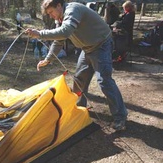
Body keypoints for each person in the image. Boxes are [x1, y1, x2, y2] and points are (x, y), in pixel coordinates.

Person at [26, 0, 128, 131]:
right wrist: (48, 59)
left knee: (104, 81)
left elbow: (65, 31)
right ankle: (79, 110)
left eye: (51, 12)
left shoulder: (73, 10)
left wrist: (40, 34)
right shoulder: (60, 18)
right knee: (79, 79)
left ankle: (120, 117)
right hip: (87, 48)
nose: (51, 16)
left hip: (101, 45)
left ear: (58, 5)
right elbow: (59, 40)